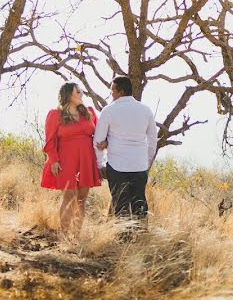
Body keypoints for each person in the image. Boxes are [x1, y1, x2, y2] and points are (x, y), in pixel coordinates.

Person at [93, 75, 158, 220]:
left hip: (117, 166)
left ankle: (124, 239)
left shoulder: (109, 110)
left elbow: (98, 141)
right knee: (140, 204)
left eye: (112, 91)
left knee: (121, 205)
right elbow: (153, 141)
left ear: (120, 92)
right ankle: (142, 238)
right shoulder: (145, 110)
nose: (111, 94)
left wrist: (99, 164)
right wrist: (146, 162)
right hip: (139, 165)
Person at [41, 82, 102, 235]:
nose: (81, 94)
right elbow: (49, 140)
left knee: (81, 199)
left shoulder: (89, 112)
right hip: (66, 160)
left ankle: (76, 236)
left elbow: (100, 134)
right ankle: (64, 235)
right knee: (69, 197)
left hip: (86, 159)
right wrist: (53, 160)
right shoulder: (55, 114)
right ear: (69, 95)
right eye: (78, 92)